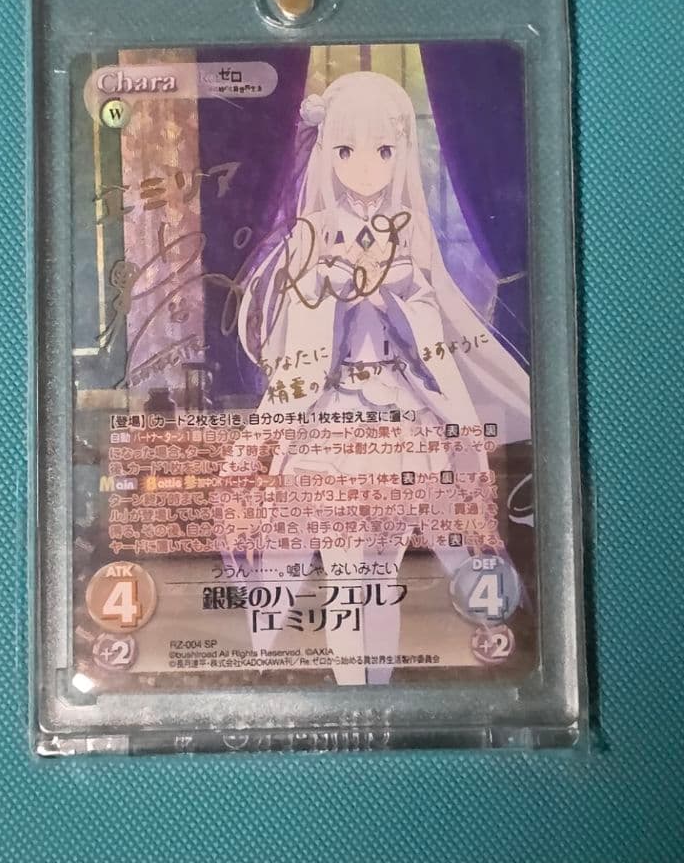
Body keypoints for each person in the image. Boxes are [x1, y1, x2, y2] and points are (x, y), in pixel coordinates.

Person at [226, 70, 530, 684]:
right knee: (342, 572)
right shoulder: (309, 238)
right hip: (330, 423)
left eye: (383, 151)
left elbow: (434, 346)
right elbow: (301, 358)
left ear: (401, 152)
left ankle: (377, 698)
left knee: (379, 574)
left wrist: (400, 296)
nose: (366, 167)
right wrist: (330, 292)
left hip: (401, 423)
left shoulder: (410, 233)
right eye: (347, 150)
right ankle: (330, 692)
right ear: (328, 152)